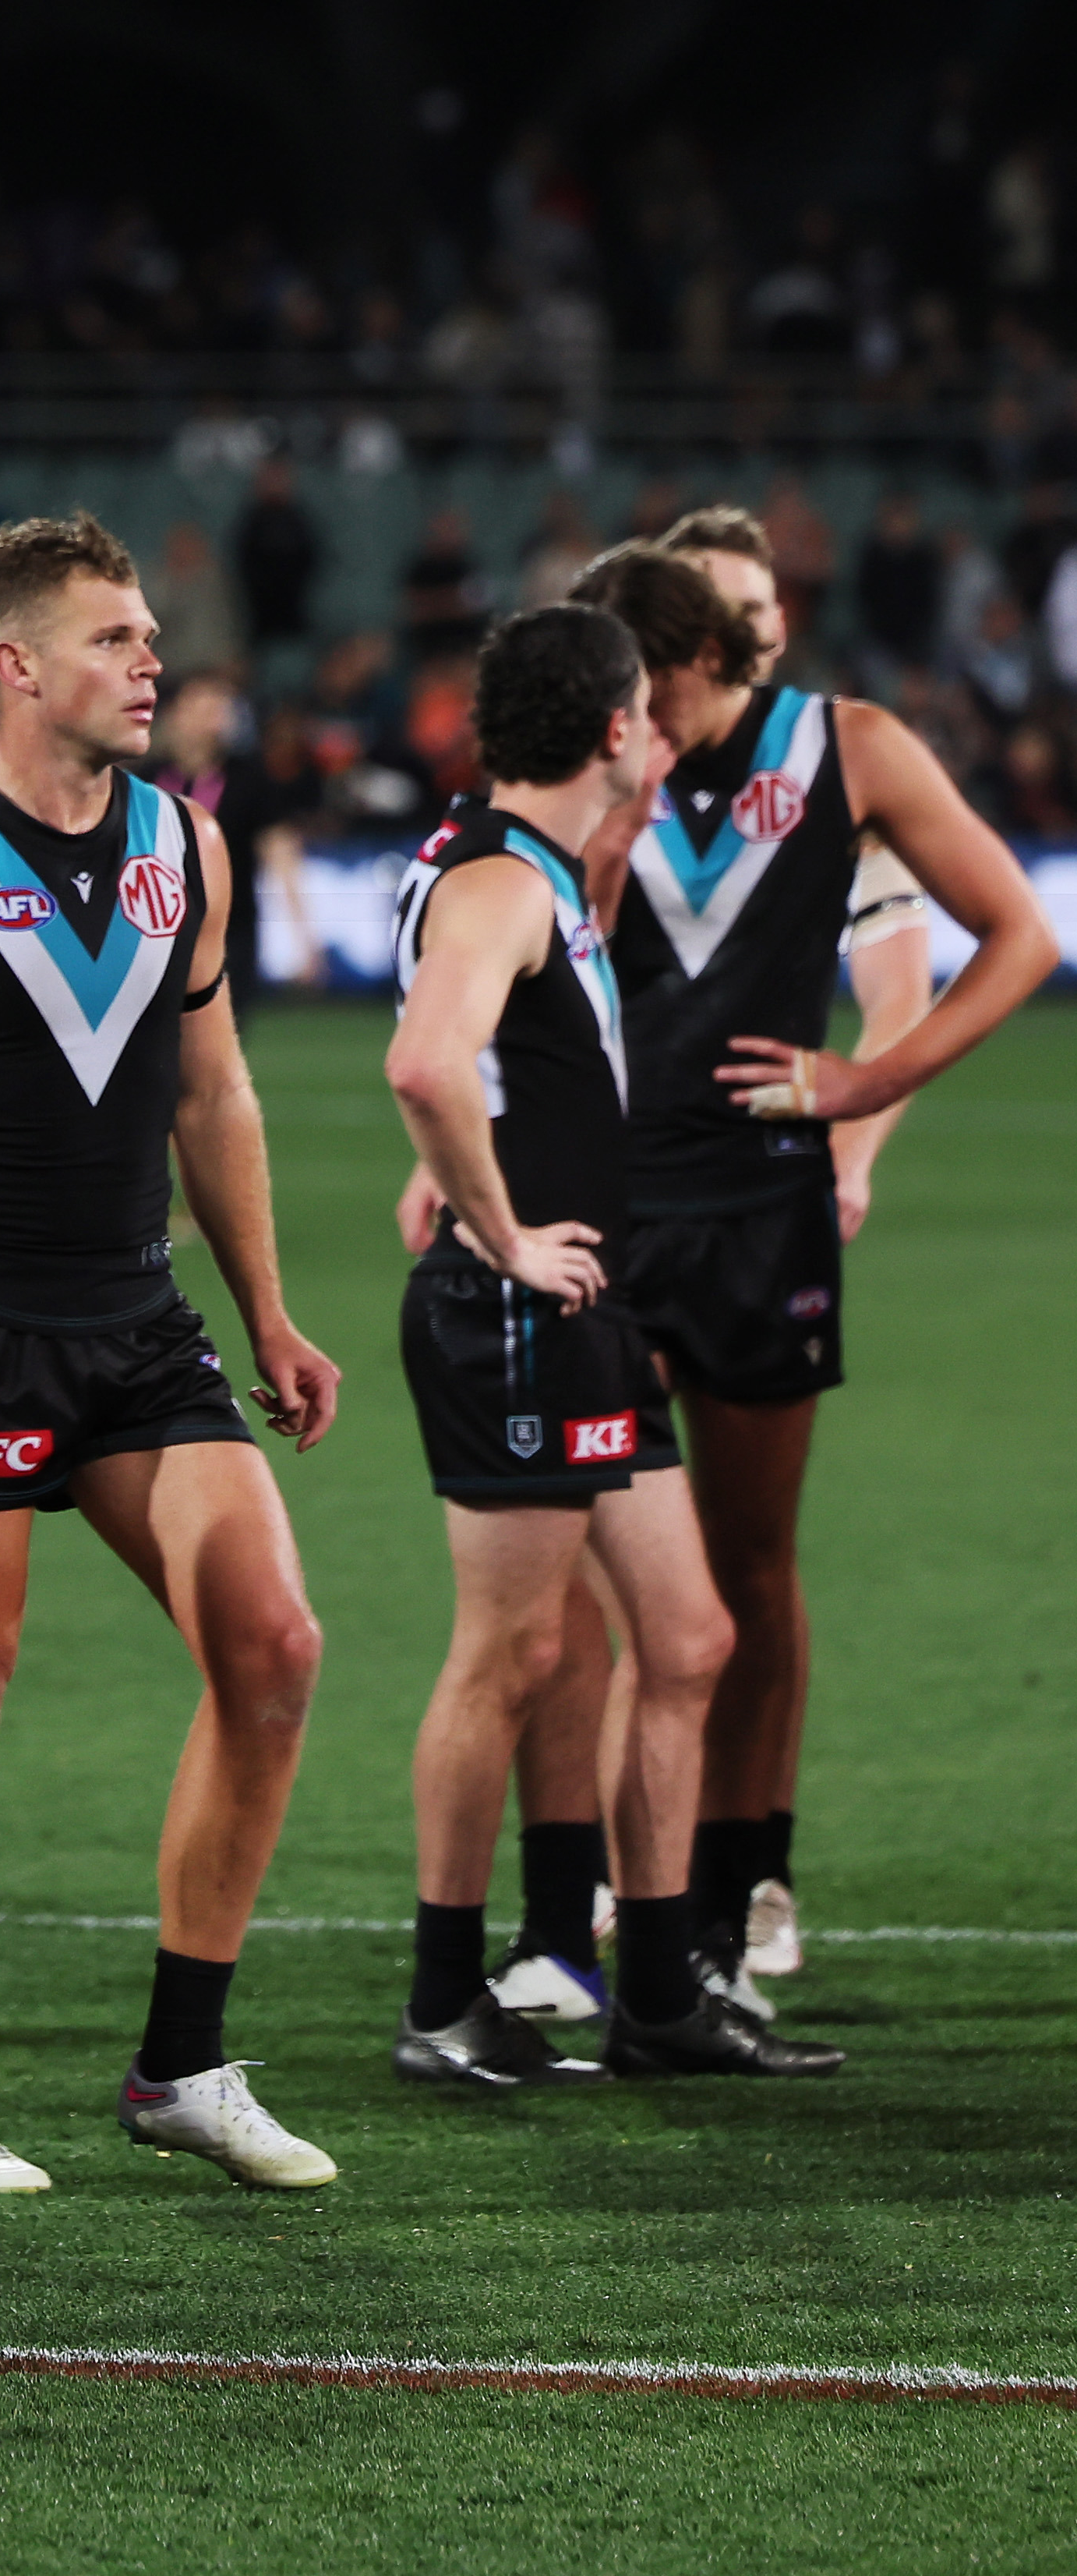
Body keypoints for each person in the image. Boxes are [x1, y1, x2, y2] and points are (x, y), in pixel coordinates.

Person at [0, 514, 344, 2194]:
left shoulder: (184, 847)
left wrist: (269, 1308)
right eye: (120, 639)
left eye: (152, 640)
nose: (156, 664)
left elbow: (213, 1092)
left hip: (136, 1319)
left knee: (274, 1644)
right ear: (11, 667)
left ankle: (183, 2061)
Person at [537, 535, 1052, 2011]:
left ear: (714, 659)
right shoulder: (590, 763)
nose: (636, 721)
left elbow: (1016, 935)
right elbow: (516, 970)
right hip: (606, 1224)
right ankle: (570, 1919)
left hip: (764, 1221)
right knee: (590, 1584)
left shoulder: (850, 749)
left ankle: (736, 1895)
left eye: (654, 693)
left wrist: (867, 1082)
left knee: (751, 1571)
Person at [381, 600, 836, 2086]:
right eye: (643, 708)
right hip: (520, 1313)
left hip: (587, 1312)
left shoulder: (536, 870)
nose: (661, 731)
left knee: (688, 1635)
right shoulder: (503, 881)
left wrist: (482, 1188)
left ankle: (653, 1995)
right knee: (506, 1656)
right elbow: (426, 1059)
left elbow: (491, 1071)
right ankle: (447, 2002)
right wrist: (497, 1227)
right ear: (611, 728)